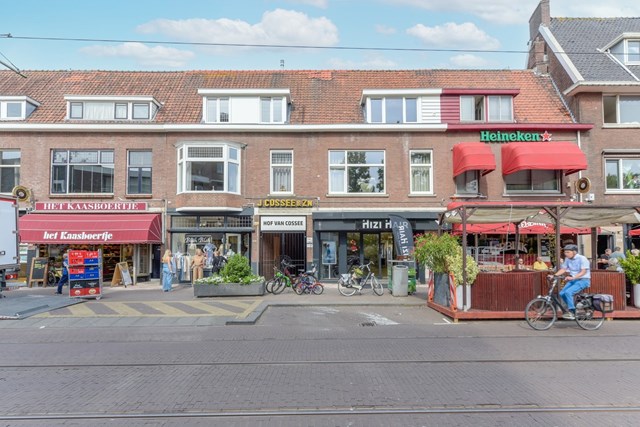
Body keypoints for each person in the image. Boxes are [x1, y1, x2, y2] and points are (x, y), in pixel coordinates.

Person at [550, 244, 591, 320]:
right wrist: (554, 275)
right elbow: (563, 269)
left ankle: (571, 312)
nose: (566, 254)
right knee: (562, 293)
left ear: (574, 252)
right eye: (565, 252)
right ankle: (572, 308)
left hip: (583, 280)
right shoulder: (567, 259)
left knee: (568, 292)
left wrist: (573, 277)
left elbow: (583, 272)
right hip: (573, 280)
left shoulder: (582, 258)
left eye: (568, 252)